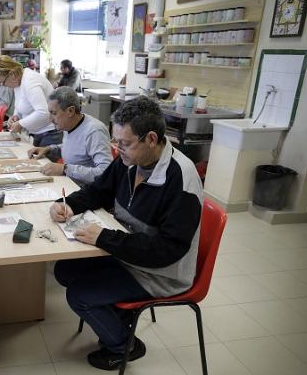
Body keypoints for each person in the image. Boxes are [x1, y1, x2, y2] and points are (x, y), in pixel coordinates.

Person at [50, 96, 203, 371]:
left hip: (159, 273)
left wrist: (103, 238)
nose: (117, 149)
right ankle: (123, 321)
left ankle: (124, 345)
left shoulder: (181, 180)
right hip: (128, 251)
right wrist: (68, 204)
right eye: (115, 141)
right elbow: (100, 190)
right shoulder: (130, 159)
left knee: (79, 294)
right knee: (64, 270)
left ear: (152, 139)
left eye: (125, 143)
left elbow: (166, 251)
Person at [27, 87, 112, 186]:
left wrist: (65, 169)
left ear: (70, 111)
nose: (50, 119)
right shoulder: (69, 124)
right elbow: (76, 148)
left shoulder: (94, 132)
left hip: (88, 192)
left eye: (54, 113)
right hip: (71, 184)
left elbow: (106, 173)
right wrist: (49, 149)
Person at [0, 55, 62, 146]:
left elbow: (44, 112)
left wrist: (20, 123)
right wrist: (16, 116)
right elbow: (20, 104)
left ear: (12, 74)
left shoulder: (30, 81)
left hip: (50, 134)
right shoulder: (17, 82)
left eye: (3, 82)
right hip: (38, 133)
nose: (4, 86)